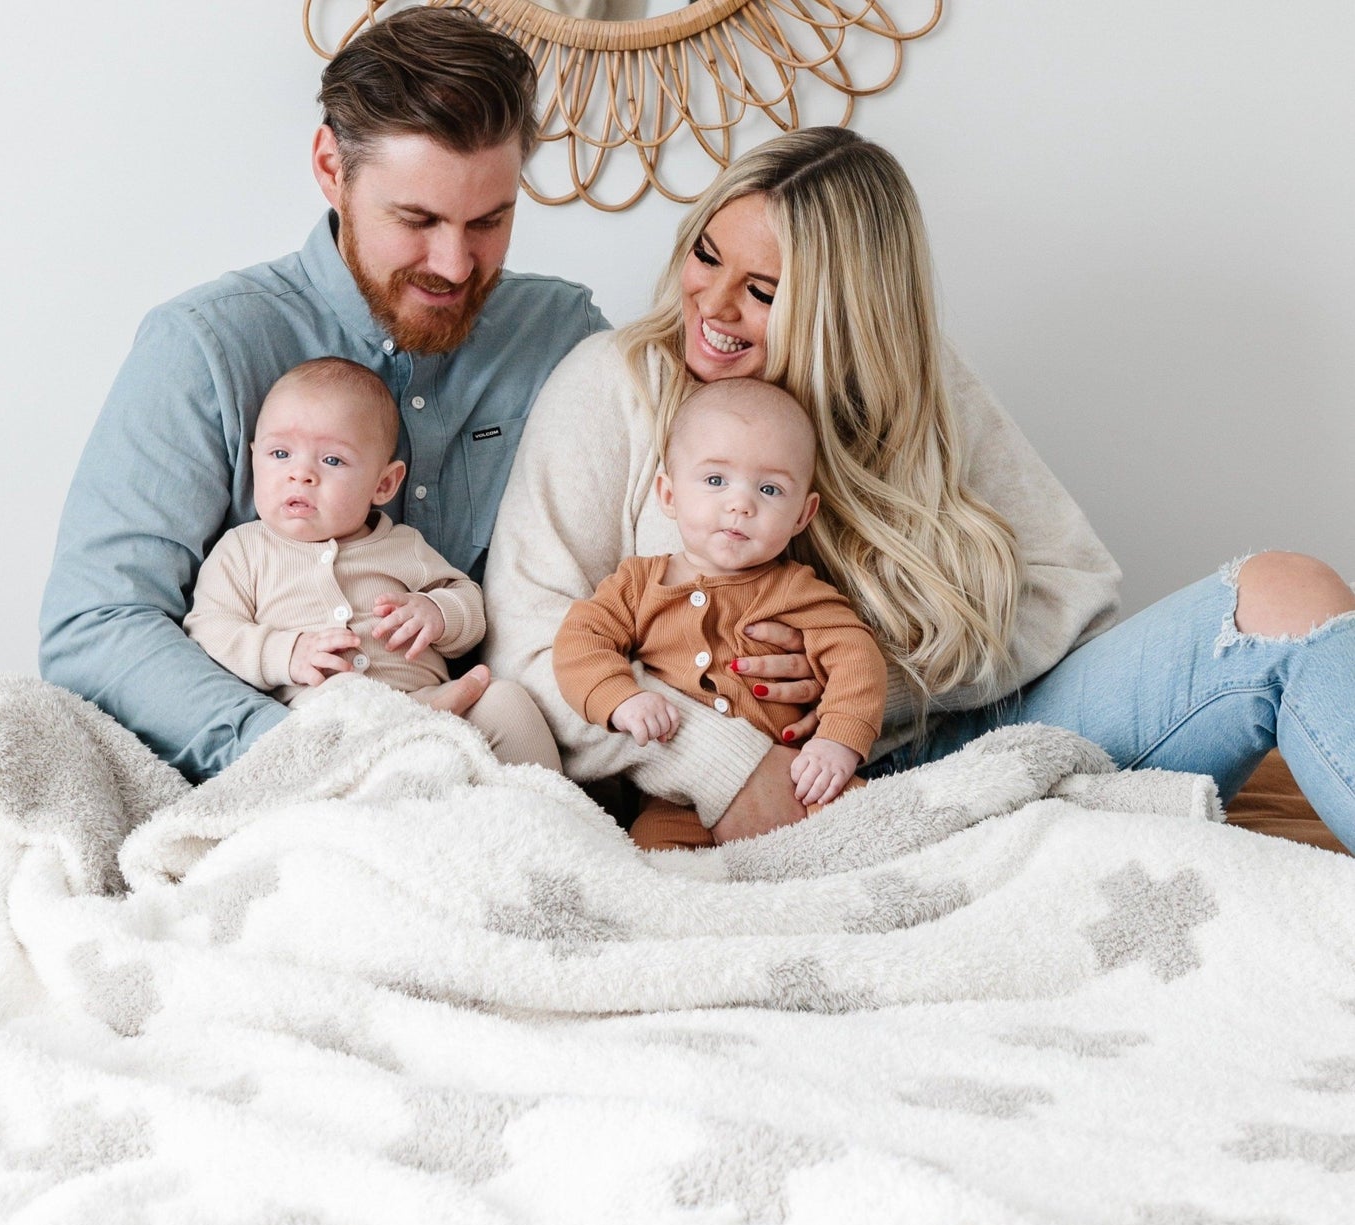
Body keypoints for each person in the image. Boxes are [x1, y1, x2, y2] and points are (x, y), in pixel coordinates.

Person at [485, 126, 1355, 851]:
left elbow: (1070, 586)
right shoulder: (615, 383)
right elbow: (526, 642)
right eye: (705, 255)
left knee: (1290, 591)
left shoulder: (917, 385)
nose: (709, 305)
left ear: (841, 311)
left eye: (761, 292)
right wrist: (725, 766)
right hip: (732, 790)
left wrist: (870, 688)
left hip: (964, 742)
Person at [39, 7, 606, 782]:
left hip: (502, 769)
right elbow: (95, 624)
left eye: (490, 220)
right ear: (330, 168)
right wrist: (312, 756)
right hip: (286, 771)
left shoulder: (562, 336)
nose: (455, 262)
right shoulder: (203, 347)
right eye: (416, 218)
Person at [552, 378, 886, 846]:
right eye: (715, 481)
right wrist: (620, 697)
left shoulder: (796, 590)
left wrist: (839, 740)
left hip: (798, 782)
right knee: (655, 865)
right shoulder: (636, 585)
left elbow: (856, 657)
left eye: (770, 489)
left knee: (880, 829)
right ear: (669, 495)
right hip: (677, 800)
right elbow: (579, 641)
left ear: (802, 515)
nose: (740, 504)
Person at [184, 357, 561, 769]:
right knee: (332, 718)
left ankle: (546, 805)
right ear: (254, 458)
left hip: (429, 701)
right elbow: (209, 628)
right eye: (280, 453)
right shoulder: (244, 550)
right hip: (323, 716)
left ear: (383, 484)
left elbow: (469, 605)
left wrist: (437, 612)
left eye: (332, 461)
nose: (301, 474)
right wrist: (284, 653)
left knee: (505, 700)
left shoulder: (402, 546)